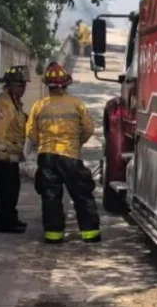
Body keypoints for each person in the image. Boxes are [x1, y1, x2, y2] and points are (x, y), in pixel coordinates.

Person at [25, 61, 101, 243]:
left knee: (50, 195)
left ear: (47, 86)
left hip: (47, 157)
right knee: (82, 193)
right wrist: (77, 142)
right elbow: (89, 128)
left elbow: (30, 132)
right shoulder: (76, 104)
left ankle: (53, 235)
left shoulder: (39, 105)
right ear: (66, 84)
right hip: (70, 155)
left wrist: (43, 142)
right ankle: (90, 234)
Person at [0, 65, 30, 233]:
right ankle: (5, 223)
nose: (23, 88)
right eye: (20, 84)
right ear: (10, 85)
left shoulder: (15, 103)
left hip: (11, 157)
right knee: (5, 192)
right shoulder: (3, 103)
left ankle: (11, 218)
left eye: (24, 84)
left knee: (12, 190)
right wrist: (2, 153)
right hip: (2, 158)